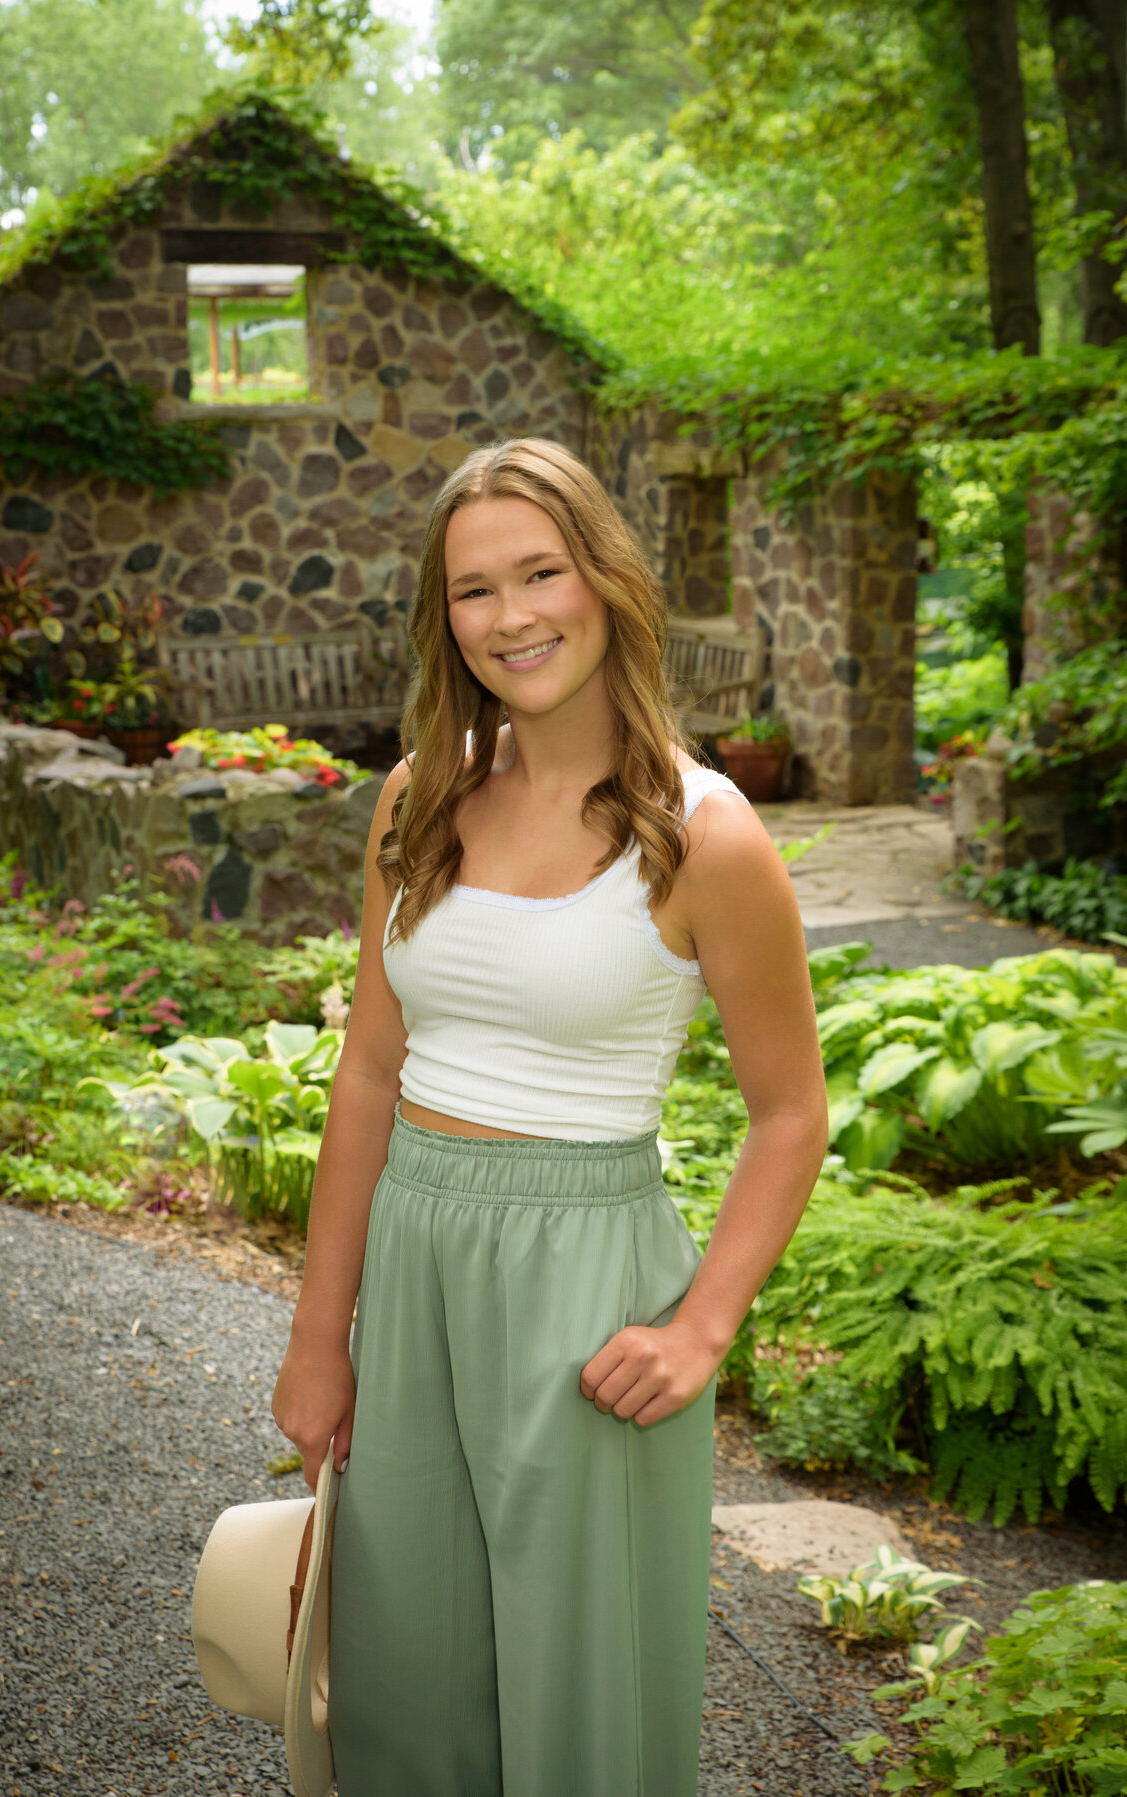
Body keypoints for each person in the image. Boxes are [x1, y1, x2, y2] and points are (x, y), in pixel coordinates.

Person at [271, 437, 829, 1797]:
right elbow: (367, 1074)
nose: (512, 615)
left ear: (608, 582)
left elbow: (791, 1111)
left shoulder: (707, 832)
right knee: (403, 1683)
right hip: (415, 1264)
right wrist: (317, 1338)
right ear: (443, 619)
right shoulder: (420, 797)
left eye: (541, 572)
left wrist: (702, 1323)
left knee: (584, 1706)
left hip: (588, 1283)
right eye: (475, 590)